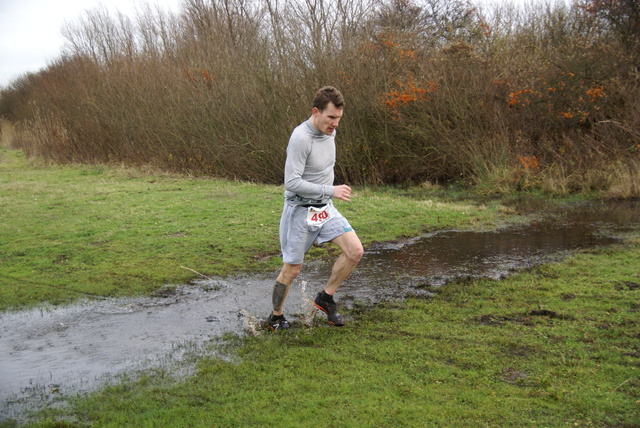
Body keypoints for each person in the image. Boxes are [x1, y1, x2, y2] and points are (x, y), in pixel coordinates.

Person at [267, 86, 364, 330]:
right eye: (331, 118)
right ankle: (275, 317)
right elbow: (291, 182)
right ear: (315, 112)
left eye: (339, 119)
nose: (335, 124)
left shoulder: (329, 132)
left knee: (355, 251)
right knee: (292, 271)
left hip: (325, 208)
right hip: (300, 211)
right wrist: (331, 190)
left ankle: (325, 297)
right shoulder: (301, 138)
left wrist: (328, 195)